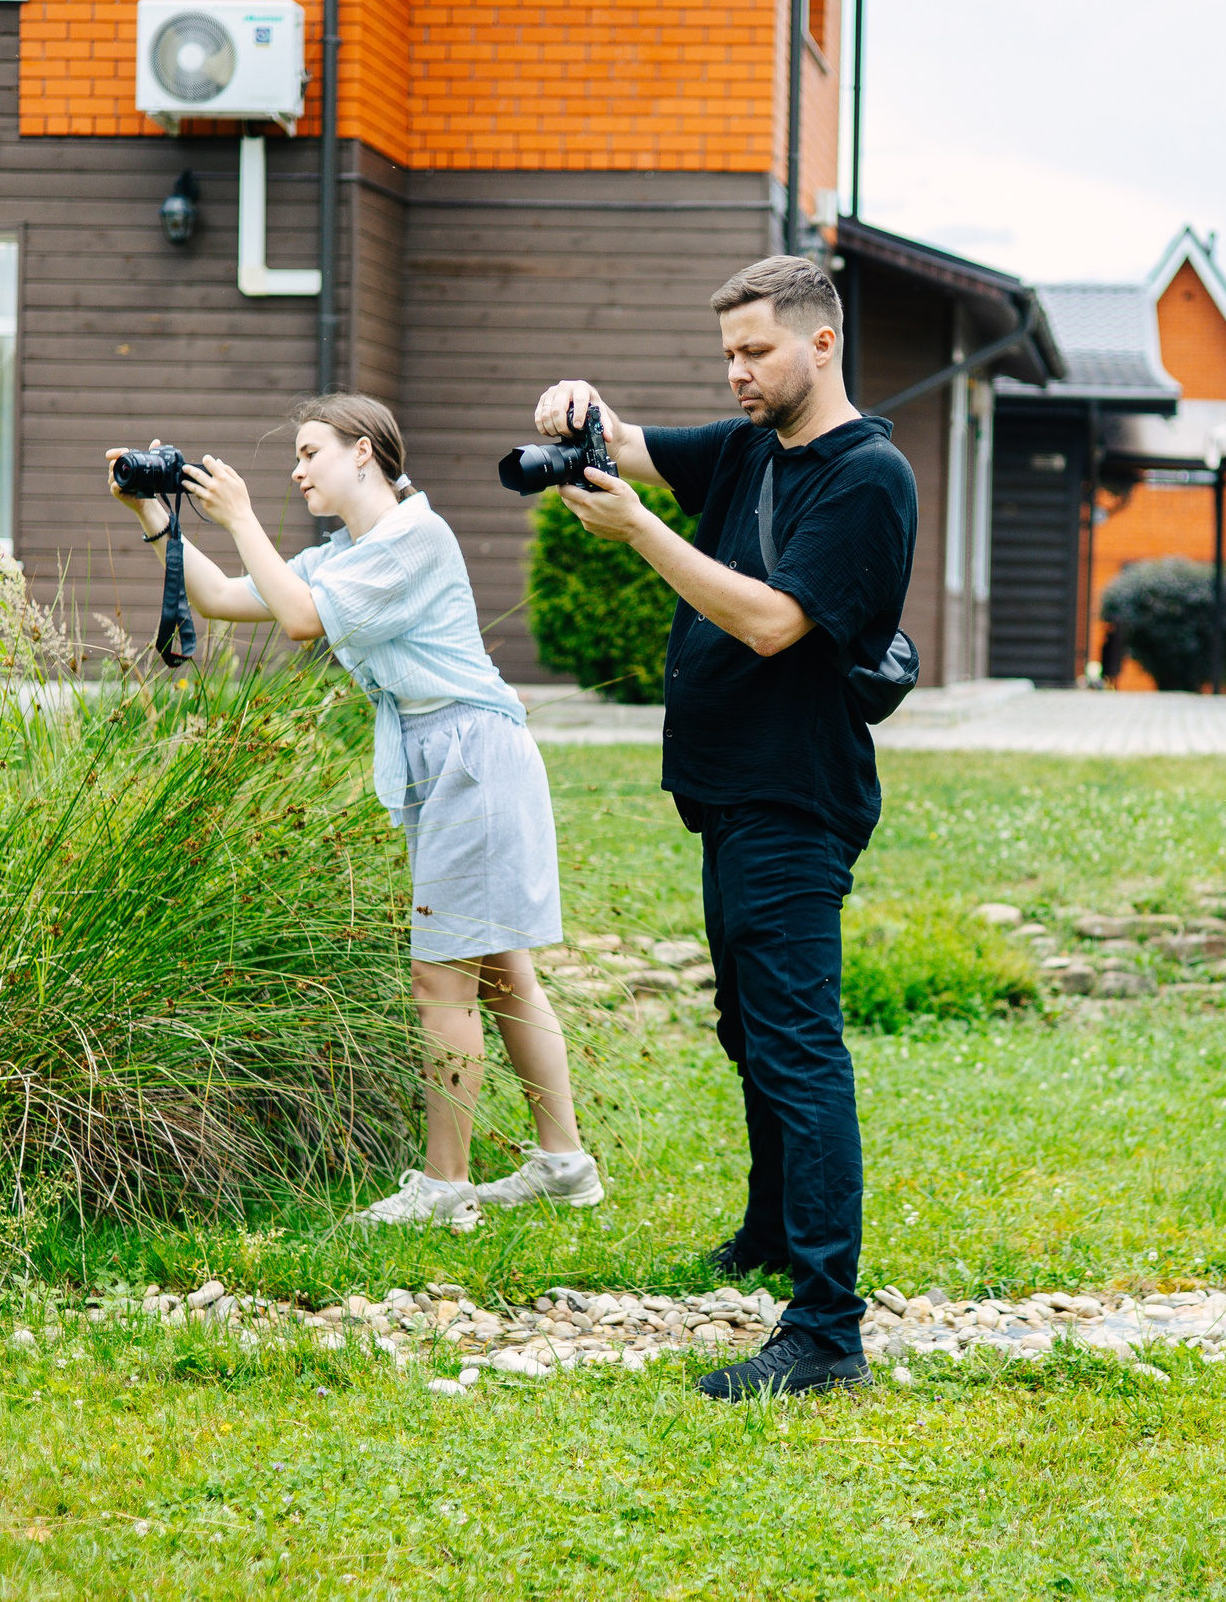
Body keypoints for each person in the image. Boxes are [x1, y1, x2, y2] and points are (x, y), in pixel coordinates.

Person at [532, 255, 917, 1400]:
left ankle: (825, 1333)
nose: (738, 373)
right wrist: (581, 410)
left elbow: (769, 623)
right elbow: (641, 444)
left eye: (755, 353)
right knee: (750, 1030)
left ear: (820, 345)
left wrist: (641, 533)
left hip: (796, 797)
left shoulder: (867, 478)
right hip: (729, 794)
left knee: (799, 1048)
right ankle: (764, 1235)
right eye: (728, 356)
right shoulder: (751, 443)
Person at [106, 394, 601, 1232]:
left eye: (308, 451)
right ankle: (563, 1165)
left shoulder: (414, 539)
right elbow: (229, 597)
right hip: (452, 757)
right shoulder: (351, 552)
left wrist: (241, 515)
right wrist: (157, 511)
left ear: (364, 451)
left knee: (439, 978)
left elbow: (298, 621)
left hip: (469, 759)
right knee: (502, 970)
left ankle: (445, 1190)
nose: (296, 470)